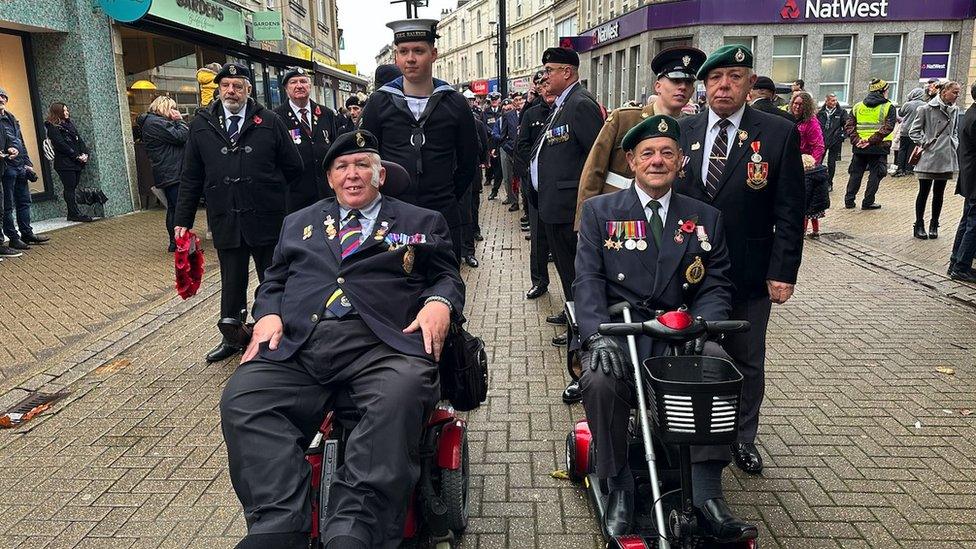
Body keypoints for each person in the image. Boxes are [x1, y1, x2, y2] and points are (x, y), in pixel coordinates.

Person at [220, 130, 464, 549]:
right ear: (330, 178)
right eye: (342, 167)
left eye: (362, 165)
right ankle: (279, 522)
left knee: (399, 396)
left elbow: (446, 274)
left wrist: (440, 302)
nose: (353, 175)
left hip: (384, 346)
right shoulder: (298, 223)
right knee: (244, 398)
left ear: (381, 174)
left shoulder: (420, 221)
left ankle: (356, 528)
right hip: (301, 344)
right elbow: (274, 279)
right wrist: (269, 313)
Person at [576, 115, 756, 541]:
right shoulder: (600, 212)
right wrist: (595, 334)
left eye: (667, 153)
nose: (657, 161)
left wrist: (703, 325)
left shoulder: (704, 217)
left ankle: (709, 491)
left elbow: (716, 281)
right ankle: (618, 484)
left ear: (680, 163)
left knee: (719, 369)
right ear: (632, 163)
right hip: (624, 329)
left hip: (681, 333)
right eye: (648, 154)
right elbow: (586, 281)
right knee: (601, 379)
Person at [673, 45, 805, 475]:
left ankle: (742, 438)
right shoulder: (683, 130)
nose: (723, 85)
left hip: (749, 270)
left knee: (747, 358)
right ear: (704, 85)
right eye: (715, 78)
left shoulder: (778, 132)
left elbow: (790, 210)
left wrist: (782, 272)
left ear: (750, 84)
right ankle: (692, 433)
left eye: (734, 76)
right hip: (689, 271)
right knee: (691, 352)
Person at [174, 62, 303, 363]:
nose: (231, 91)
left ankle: (277, 331)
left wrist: (269, 190)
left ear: (248, 89)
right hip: (226, 215)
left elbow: (294, 167)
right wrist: (182, 219)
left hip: (265, 216)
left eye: (237, 85)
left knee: (272, 276)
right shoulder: (202, 124)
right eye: (225, 86)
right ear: (218, 90)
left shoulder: (268, 120)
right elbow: (191, 175)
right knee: (231, 280)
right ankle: (231, 337)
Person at [360, 19, 478, 260]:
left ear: (433, 54)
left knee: (443, 284)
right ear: (396, 57)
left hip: (442, 214)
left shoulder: (454, 103)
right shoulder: (379, 102)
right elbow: (366, 158)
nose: (410, 59)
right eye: (403, 52)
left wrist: (445, 195)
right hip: (393, 216)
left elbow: (468, 161)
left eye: (418, 51)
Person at [575, 47, 706, 230]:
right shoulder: (625, 119)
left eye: (688, 82)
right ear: (658, 86)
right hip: (617, 220)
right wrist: (584, 224)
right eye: (675, 80)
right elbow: (593, 172)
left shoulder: (693, 130)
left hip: (668, 223)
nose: (682, 87)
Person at [529, 46, 604, 346]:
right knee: (564, 269)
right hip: (554, 206)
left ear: (567, 72)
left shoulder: (580, 104)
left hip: (569, 208)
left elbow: (597, 158)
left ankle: (580, 332)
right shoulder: (562, 103)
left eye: (550, 71)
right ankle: (571, 312)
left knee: (576, 272)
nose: (545, 77)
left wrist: (587, 207)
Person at [274, 67, 339, 213]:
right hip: (294, 196)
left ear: (310, 86)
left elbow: (335, 149)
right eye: (293, 82)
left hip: (326, 193)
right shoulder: (276, 117)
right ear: (286, 88)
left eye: (303, 81)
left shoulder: (326, 114)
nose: (299, 86)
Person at [515, 75, 553, 301]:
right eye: (542, 86)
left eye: (549, 84)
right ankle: (539, 282)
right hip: (538, 189)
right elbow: (522, 147)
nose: (546, 89)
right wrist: (529, 178)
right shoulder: (531, 113)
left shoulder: (563, 110)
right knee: (538, 241)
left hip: (559, 190)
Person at [136, 95, 189, 252]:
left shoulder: (154, 122)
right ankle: (179, 243)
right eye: (172, 108)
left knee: (175, 208)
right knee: (178, 209)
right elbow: (182, 136)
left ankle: (177, 242)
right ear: (163, 107)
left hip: (169, 171)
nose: (174, 111)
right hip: (171, 172)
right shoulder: (156, 123)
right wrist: (180, 121)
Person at [909, 80, 961, 240]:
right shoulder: (925, 109)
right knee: (923, 192)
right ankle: (919, 224)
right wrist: (926, 143)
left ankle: (934, 224)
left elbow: (955, 130)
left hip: (945, 157)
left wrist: (954, 142)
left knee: (939, 193)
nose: (957, 95)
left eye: (959, 92)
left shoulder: (955, 110)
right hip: (929, 156)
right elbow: (914, 131)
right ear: (944, 92)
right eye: (955, 92)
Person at [0, 88, 48, 252]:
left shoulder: (12, 118)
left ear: (6, 99)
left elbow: (21, 142)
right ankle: (13, 238)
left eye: (3, 96)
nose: (1, 98)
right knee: (8, 205)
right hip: (7, 168)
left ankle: (27, 233)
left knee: (24, 201)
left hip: (20, 166)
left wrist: (27, 162)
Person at [844, 78, 896, 210]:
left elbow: (849, 126)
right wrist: (871, 141)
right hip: (879, 147)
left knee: (855, 173)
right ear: (882, 91)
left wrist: (857, 141)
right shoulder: (888, 106)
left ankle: (849, 201)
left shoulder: (857, 106)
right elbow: (888, 127)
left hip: (860, 147)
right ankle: (868, 202)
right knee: (876, 174)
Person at [44, 102, 93, 223]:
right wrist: (76, 156)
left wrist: (84, 153)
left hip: (75, 162)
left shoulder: (68, 124)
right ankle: (74, 213)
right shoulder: (52, 127)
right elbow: (61, 145)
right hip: (65, 163)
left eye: (67, 110)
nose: (67, 112)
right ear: (58, 112)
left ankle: (72, 213)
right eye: (64, 111)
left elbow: (79, 139)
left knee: (73, 186)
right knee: (69, 188)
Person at [949, 82, 976, 282]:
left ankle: (955, 262)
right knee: (973, 223)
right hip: (974, 178)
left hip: (969, 177)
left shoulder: (969, 113)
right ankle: (961, 266)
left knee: (967, 220)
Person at [790, 92, 826, 236]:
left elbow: (818, 146)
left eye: (800, 105)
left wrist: (811, 165)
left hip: (806, 165)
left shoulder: (811, 122)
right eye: (795, 103)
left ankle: (804, 230)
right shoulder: (791, 119)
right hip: (792, 162)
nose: (797, 107)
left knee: (806, 201)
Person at [816, 92, 849, 191]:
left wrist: (843, 135)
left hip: (835, 140)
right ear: (826, 101)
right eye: (832, 100)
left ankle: (829, 183)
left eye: (835, 100)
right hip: (822, 140)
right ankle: (818, 181)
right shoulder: (820, 112)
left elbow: (846, 125)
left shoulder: (841, 112)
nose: (835, 102)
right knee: (819, 161)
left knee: (831, 163)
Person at [894, 87, 926, 178]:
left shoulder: (907, 104)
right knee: (912, 150)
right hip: (917, 131)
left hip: (905, 130)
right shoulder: (924, 105)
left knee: (902, 149)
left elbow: (900, 114)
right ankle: (909, 168)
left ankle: (900, 169)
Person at [482, 91, 505, 201]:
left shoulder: (504, 110)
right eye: (493, 99)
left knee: (501, 170)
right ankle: (492, 186)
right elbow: (483, 125)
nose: (494, 101)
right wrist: (492, 132)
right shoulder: (486, 112)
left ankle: (499, 190)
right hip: (491, 142)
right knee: (493, 165)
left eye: (496, 99)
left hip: (503, 143)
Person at [499, 98, 520, 211]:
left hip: (524, 152)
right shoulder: (508, 116)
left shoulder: (527, 112)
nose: (519, 102)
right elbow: (503, 136)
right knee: (511, 177)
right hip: (511, 151)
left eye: (521, 100)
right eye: (517, 100)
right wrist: (509, 148)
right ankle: (514, 201)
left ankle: (526, 204)